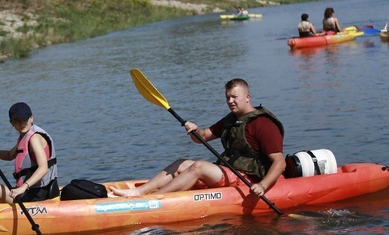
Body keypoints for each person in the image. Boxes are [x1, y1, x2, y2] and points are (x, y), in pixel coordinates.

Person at [108, 79, 286, 198]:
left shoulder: (263, 123)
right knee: (181, 163)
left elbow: (279, 162)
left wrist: (262, 186)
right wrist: (194, 130)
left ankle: (155, 199)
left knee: (198, 166)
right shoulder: (231, 120)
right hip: (231, 170)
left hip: (251, 177)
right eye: (227, 97)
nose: (230, 101)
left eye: (234, 97)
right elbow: (203, 137)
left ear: (247, 97)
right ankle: (139, 192)